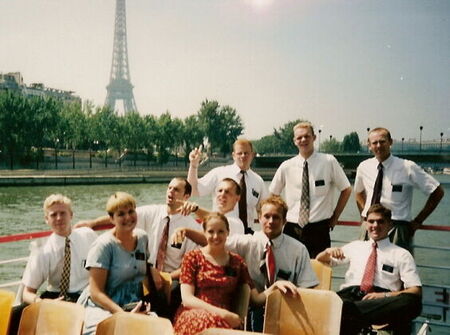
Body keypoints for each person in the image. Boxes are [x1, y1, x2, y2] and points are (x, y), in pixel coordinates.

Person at [172, 195, 318, 331]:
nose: (271, 221)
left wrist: (277, 287)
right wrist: (184, 231)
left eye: (276, 217)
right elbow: (214, 243)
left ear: (284, 221)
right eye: (266, 216)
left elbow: (308, 288)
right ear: (259, 218)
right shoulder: (245, 242)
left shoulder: (298, 250)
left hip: (283, 307)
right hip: (244, 311)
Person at [76, 178, 202, 318]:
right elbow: (120, 212)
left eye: (176, 189)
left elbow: (190, 264)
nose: (171, 191)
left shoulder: (191, 228)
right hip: (128, 291)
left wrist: (165, 276)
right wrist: (92, 223)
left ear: (186, 197)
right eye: (169, 187)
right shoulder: (151, 213)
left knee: (172, 291)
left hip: (167, 277)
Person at [316, 204, 422, 335]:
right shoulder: (355, 246)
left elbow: (415, 290)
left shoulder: (401, 254)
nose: (375, 225)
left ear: (390, 224)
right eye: (371, 221)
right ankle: (354, 317)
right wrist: (327, 252)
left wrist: (383, 295)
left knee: (412, 303)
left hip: (381, 301)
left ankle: (350, 316)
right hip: (351, 295)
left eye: (380, 221)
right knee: (328, 304)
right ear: (365, 224)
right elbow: (320, 261)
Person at [8, 194, 98, 335]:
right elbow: (27, 293)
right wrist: (43, 303)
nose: (58, 218)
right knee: (15, 315)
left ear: (71, 215)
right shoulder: (43, 250)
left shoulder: (88, 236)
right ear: (46, 219)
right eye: (53, 214)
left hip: (85, 296)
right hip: (56, 297)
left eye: (63, 213)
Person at [269, 121, 352, 258]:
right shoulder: (286, 166)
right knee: (290, 271)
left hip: (319, 230)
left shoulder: (328, 162)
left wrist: (336, 216)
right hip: (292, 228)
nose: (303, 140)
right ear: (294, 141)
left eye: (307, 136)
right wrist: (280, 216)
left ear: (314, 137)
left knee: (318, 272)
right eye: (299, 138)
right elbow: (273, 195)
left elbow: (346, 189)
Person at [354, 127, 444, 252]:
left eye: (382, 141)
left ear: (390, 142)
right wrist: (365, 214)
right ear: (369, 145)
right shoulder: (364, 167)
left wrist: (418, 221)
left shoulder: (407, 167)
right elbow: (358, 192)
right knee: (365, 264)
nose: (378, 145)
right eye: (374, 143)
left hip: (396, 228)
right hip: (369, 227)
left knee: (396, 268)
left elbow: (437, 191)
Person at [78, 192, 151, 335]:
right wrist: (123, 315)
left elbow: (144, 268)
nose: (128, 217)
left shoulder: (142, 238)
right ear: (111, 219)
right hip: (102, 307)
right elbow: (96, 293)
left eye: (131, 211)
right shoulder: (104, 246)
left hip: (133, 304)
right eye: (121, 214)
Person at [188, 139, 268, 234]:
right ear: (233, 155)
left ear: (252, 155)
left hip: (247, 233)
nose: (243, 156)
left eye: (246, 153)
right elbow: (193, 190)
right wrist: (193, 166)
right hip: (220, 231)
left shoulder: (258, 181)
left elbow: (265, 211)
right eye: (239, 153)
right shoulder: (219, 173)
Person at [180, 178, 245, 235]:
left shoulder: (236, 224)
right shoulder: (205, 221)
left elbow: (218, 221)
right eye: (220, 191)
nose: (222, 194)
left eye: (227, 192)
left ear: (237, 198)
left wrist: (195, 209)